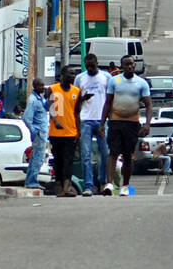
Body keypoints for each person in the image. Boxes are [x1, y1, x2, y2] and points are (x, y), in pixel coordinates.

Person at [101, 54, 152, 195]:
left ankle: (125, 185)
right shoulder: (114, 81)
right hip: (116, 121)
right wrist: (102, 123)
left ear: (135, 65)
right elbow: (108, 103)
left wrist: (147, 124)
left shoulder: (141, 83)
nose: (129, 66)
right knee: (113, 152)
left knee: (128, 154)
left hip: (132, 123)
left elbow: (148, 105)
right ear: (122, 66)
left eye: (131, 64)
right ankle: (109, 184)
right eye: (126, 64)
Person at [74, 52, 110, 196]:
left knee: (105, 153)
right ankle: (88, 186)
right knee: (86, 155)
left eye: (92, 66)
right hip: (85, 120)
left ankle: (102, 181)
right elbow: (75, 101)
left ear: (97, 63)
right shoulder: (79, 78)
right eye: (87, 66)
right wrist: (83, 98)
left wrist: (107, 120)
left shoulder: (106, 77)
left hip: (101, 119)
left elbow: (110, 99)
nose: (90, 69)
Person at [48, 66, 81, 197]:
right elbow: (51, 109)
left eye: (74, 74)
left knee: (68, 161)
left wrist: (78, 131)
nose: (73, 76)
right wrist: (56, 122)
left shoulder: (77, 91)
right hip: (55, 133)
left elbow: (77, 113)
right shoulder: (53, 89)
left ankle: (66, 187)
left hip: (70, 133)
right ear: (62, 74)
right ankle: (61, 185)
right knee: (59, 161)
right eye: (70, 73)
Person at [22, 77, 50, 190]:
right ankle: (31, 181)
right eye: (40, 86)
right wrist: (34, 130)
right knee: (38, 157)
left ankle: (31, 180)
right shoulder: (33, 100)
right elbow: (26, 117)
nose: (43, 88)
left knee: (36, 157)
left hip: (42, 132)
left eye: (43, 85)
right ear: (35, 86)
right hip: (38, 133)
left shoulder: (40, 98)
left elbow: (45, 108)